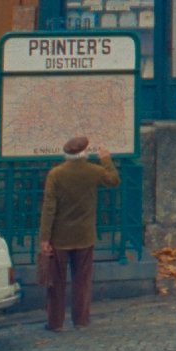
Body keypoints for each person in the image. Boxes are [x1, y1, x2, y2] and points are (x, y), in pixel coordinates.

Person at [38, 135, 121, 331]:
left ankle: (55, 322)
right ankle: (81, 319)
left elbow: (49, 207)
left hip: (60, 237)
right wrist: (106, 159)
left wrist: (45, 238)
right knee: (82, 280)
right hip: (84, 235)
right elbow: (114, 180)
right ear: (84, 153)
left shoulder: (55, 174)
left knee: (56, 282)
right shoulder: (93, 171)